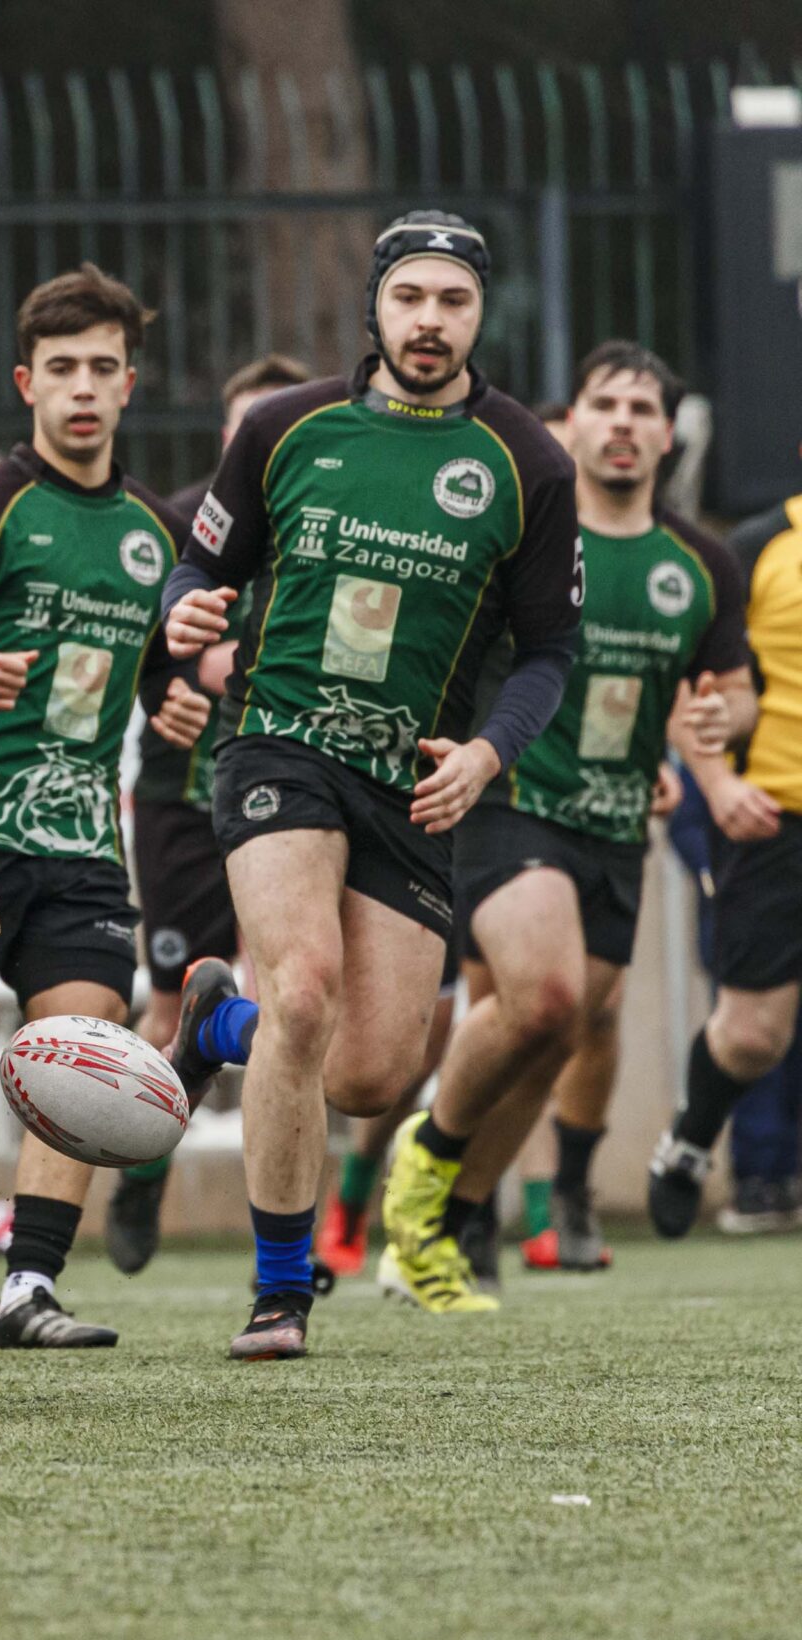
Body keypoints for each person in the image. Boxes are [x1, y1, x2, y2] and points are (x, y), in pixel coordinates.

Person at [161, 210, 581, 1360]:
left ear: (479, 314)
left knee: (368, 1075)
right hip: (275, 745)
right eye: (410, 299)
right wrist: (180, 605)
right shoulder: (284, 430)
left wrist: (489, 751)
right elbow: (203, 561)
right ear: (375, 309)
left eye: (452, 302)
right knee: (303, 987)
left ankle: (215, 1022)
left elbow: (547, 650)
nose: (429, 322)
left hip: (411, 783)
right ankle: (280, 1293)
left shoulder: (527, 464)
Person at [0, 265, 202, 1350]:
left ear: (129, 384)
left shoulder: (155, 533)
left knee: (82, 1046)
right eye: (62, 369)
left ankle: (28, 1290)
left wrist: (177, 702)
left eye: (102, 368)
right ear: (27, 382)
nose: (83, 389)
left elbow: (150, 667)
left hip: (84, 851)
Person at [380, 342, 747, 1308]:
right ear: (572, 421)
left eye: (643, 409)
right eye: (605, 404)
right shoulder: (517, 532)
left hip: (618, 821)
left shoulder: (700, 565)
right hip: (506, 795)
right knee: (540, 998)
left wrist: (715, 728)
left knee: (557, 1032)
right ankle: (424, 1171)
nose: (623, 422)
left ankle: (451, 1215)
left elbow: (730, 694)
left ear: (669, 435)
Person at [108, 354, 310, 1272]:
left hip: (301, 795)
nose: (259, 438)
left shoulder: (331, 515)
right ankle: (144, 1172)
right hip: (184, 801)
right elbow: (138, 646)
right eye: (244, 424)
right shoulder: (180, 523)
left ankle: (287, 1232)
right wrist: (174, 681)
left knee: (300, 1004)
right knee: (164, 1007)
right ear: (226, 438)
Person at [645, 414, 802, 1237]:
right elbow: (689, 690)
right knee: (751, 1035)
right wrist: (713, 783)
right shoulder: (754, 549)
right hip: (776, 816)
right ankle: (690, 1137)